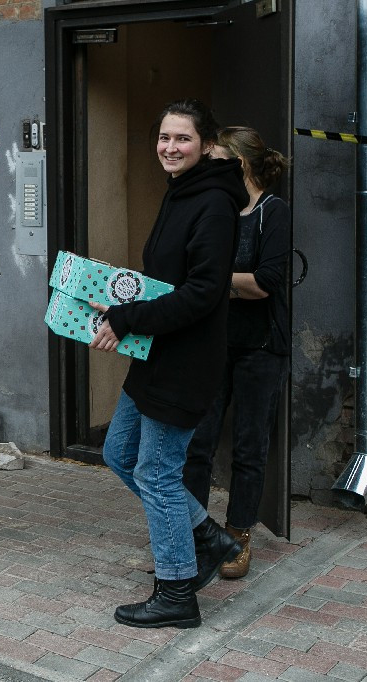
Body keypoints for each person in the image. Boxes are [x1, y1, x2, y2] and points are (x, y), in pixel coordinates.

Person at [88, 99, 247, 629]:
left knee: (156, 472)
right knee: (119, 451)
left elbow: (203, 292)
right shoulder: (181, 192)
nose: (170, 147)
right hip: (157, 355)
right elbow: (168, 279)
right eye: (164, 138)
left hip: (185, 361)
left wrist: (129, 319)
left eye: (182, 139)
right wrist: (119, 303)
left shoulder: (215, 204)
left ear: (204, 143)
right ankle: (205, 534)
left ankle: (177, 590)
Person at [182, 126, 291, 579]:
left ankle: (238, 534)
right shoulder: (217, 209)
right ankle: (193, 531)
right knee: (196, 444)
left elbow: (265, 283)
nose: (209, 167)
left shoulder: (272, 211)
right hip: (214, 342)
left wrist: (212, 284)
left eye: (218, 159)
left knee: (249, 446)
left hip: (261, 347)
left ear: (240, 164)